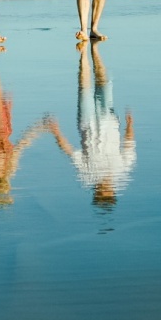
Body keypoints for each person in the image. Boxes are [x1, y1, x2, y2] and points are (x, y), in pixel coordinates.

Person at [44, 41, 137, 209]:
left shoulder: (87, 175)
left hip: (87, 121)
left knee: (84, 87)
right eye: (106, 191)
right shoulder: (122, 171)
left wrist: (56, 131)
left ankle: (84, 55)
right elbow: (129, 145)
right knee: (104, 81)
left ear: (96, 191)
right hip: (109, 118)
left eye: (101, 191)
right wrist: (130, 125)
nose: (104, 187)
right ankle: (94, 51)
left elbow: (70, 152)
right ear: (113, 191)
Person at [0, 43, 47, 206]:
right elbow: (21, 145)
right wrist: (40, 127)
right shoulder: (9, 169)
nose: (6, 188)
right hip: (2, 127)